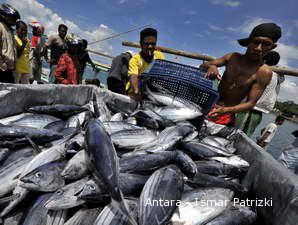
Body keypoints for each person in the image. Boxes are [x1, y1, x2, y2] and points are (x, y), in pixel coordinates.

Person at [200, 23, 282, 126]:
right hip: (207, 104)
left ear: (271, 47)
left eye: (266, 44)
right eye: (256, 42)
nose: (258, 48)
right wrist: (212, 66)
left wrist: (226, 110)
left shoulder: (264, 72)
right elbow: (203, 65)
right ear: (249, 42)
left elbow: (250, 104)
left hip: (225, 115)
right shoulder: (232, 57)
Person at [235, 51, 284, 136]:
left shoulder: (259, 70)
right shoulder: (278, 76)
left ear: (264, 59)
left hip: (247, 107)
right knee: (246, 134)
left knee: (235, 130)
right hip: (259, 109)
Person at [127, 27, 165, 98]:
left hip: (150, 93)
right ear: (141, 44)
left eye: (153, 44)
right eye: (147, 44)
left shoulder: (160, 56)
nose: (150, 46)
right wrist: (136, 91)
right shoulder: (135, 60)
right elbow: (133, 76)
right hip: (134, 93)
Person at [0, 3, 20, 83]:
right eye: (13, 18)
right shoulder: (1, 27)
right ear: (3, 15)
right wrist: (3, 65)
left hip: (9, 70)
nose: (14, 22)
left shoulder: (11, 31)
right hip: (2, 69)